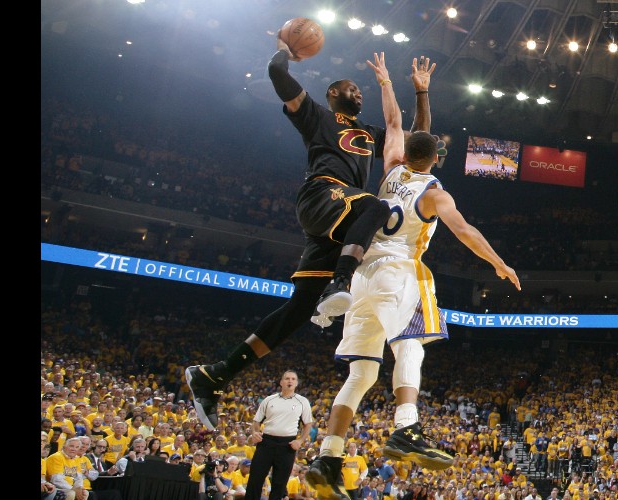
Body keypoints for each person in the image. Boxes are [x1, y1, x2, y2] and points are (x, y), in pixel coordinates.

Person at [305, 51, 520, 500]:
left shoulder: (390, 169)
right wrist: (499, 263)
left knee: (362, 374)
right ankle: (406, 427)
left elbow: (394, 122)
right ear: (436, 159)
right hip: (400, 270)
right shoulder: (435, 192)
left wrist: (390, 83)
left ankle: (328, 456)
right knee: (411, 344)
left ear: (408, 155)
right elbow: (465, 231)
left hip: (361, 273)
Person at [183, 39, 436, 433]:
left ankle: (214, 375)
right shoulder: (317, 115)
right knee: (376, 207)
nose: (357, 93)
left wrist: (416, 91)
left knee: (298, 311)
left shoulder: (369, 132)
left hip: (342, 221)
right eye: (350, 88)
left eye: (360, 90)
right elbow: (277, 74)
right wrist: (286, 51)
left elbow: (416, 139)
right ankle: (340, 281)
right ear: (332, 93)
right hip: (323, 194)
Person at [234, 369, 314, 500]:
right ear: (281, 382)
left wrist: (300, 440)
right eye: (287, 378)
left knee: (278, 486)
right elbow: (256, 421)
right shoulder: (269, 400)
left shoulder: (302, 401)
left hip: (287, 445)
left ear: (296, 383)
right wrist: (255, 432)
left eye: (293, 379)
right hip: (266, 442)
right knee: (255, 482)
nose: (290, 381)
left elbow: (308, 424)